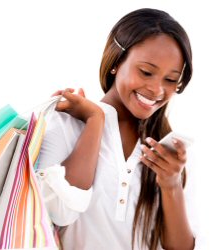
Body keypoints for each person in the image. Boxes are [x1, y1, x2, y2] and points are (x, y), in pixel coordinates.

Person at [36, 8, 202, 250]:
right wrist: (95, 120)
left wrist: (171, 183)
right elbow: (59, 213)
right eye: (146, 72)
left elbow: (181, 247)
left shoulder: (171, 152)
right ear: (116, 61)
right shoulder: (64, 125)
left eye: (170, 79)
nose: (157, 90)